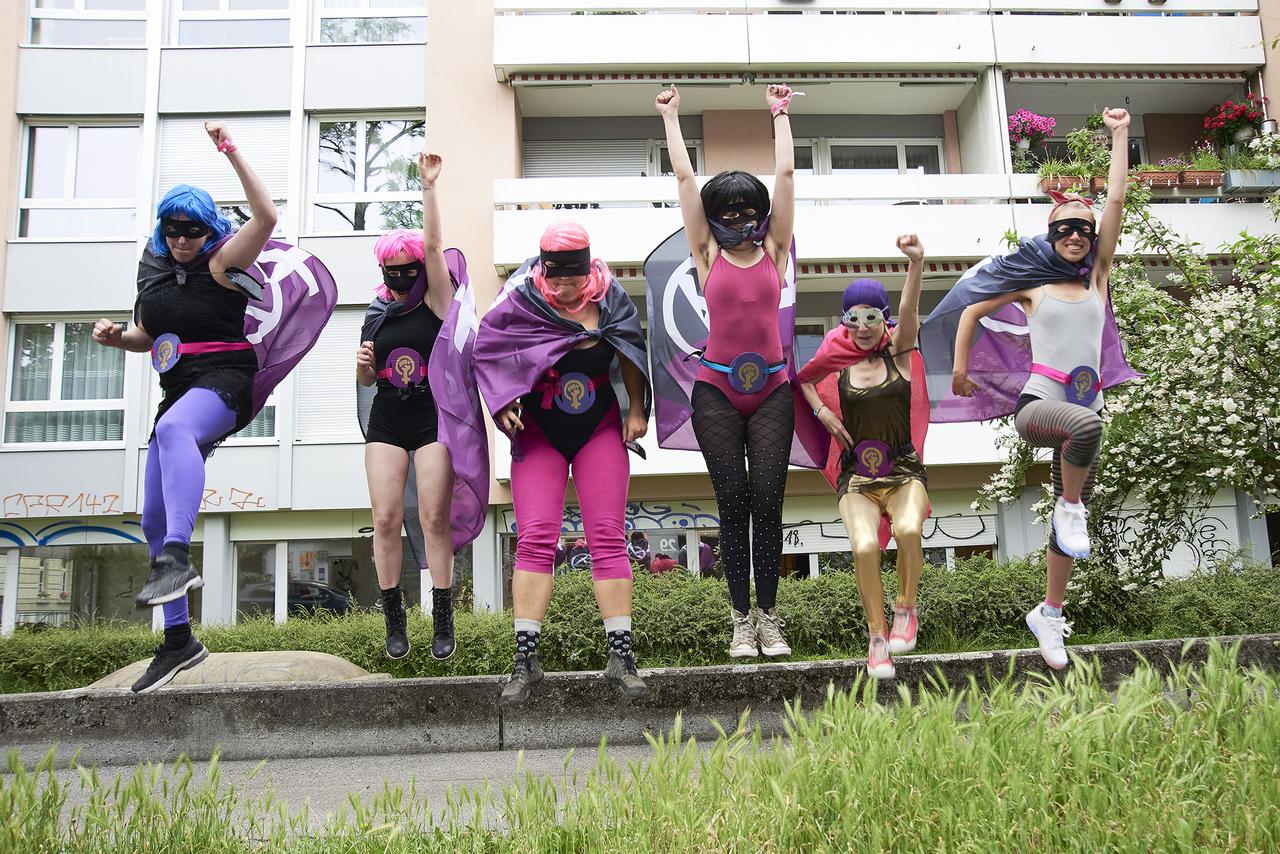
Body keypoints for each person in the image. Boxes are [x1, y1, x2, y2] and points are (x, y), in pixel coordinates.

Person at [94, 121, 336, 693]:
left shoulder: (223, 262)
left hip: (226, 380)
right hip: (176, 388)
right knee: (151, 515)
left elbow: (268, 217)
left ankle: (178, 554)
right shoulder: (152, 275)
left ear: (209, 229)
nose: (182, 240)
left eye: (193, 230)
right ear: (162, 230)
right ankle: (179, 641)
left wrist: (231, 152)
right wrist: (115, 337)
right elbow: (148, 337)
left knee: (176, 433)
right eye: (174, 231)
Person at [920, 108, 1137, 670]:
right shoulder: (1034, 287)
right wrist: (961, 369)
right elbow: (968, 313)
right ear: (1050, 237)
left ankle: (1050, 612)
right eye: (1063, 227)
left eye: (1082, 229)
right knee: (1083, 450)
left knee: (1074, 514)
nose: (1074, 235)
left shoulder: (1097, 277)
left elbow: (1114, 202)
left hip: (1086, 403)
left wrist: (1118, 136)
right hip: (1042, 405)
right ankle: (1068, 507)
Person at [655, 82, 812, 660]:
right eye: (729, 212)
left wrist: (781, 115)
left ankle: (769, 616)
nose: (740, 218)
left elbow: (789, 177)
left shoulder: (774, 248)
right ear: (715, 218)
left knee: (768, 500)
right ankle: (738, 620)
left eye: (750, 210)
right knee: (733, 501)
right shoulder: (707, 254)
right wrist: (671, 118)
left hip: (772, 388)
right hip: (716, 391)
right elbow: (684, 182)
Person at [476, 222, 653, 706]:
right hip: (539, 431)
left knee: (607, 536)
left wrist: (636, 408)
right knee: (535, 538)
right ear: (543, 268)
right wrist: (501, 401)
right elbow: (488, 350)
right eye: (554, 278)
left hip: (599, 427)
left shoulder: (611, 297)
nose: (561, 288)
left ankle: (621, 657)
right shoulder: (521, 296)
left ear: (585, 268)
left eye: (570, 280)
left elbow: (631, 349)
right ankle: (525, 661)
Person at [798, 236, 931, 679]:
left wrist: (916, 263)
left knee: (910, 527)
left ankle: (905, 608)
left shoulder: (901, 353)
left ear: (884, 318)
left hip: (903, 471)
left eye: (871, 316)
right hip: (856, 478)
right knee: (865, 545)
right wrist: (821, 412)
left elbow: (910, 313)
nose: (862, 326)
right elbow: (804, 379)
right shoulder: (837, 360)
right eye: (853, 318)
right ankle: (877, 639)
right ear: (845, 321)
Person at [356, 152, 469, 662]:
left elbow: (433, 244)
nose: (401, 277)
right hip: (386, 418)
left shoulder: (436, 300)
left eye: (409, 270)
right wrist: (361, 364)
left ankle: (442, 615)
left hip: (432, 417)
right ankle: (394, 620)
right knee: (384, 519)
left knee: (432, 516)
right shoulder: (377, 313)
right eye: (391, 271)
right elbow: (364, 380)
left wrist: (428, 187)